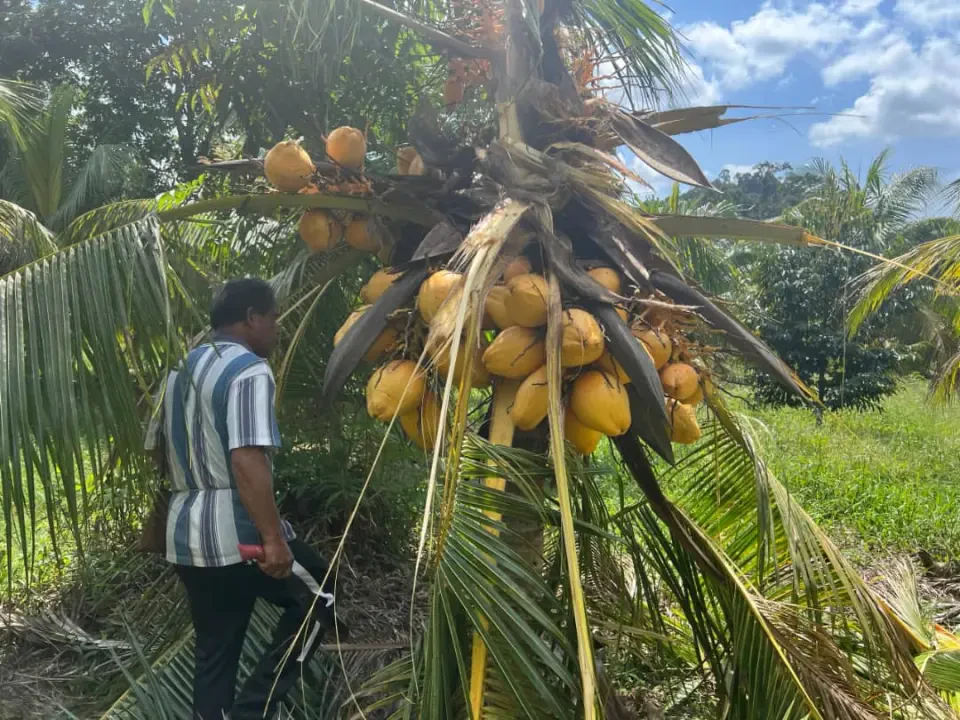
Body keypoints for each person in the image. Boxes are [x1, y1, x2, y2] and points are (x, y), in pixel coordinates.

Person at [145, 278, 336, 720]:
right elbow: (247, 459)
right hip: (237, 535)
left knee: (216, 651)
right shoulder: (248, 369)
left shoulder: (178, 370)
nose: (277, 329)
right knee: (321, 596)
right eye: (273, 319)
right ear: (251, 318)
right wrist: (272, 538)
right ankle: (253, 713)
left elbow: (156, 451)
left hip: (185, 536)